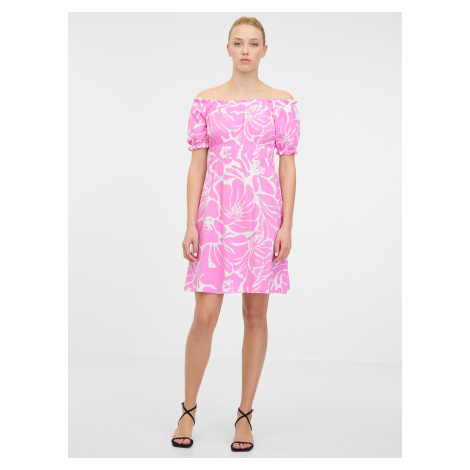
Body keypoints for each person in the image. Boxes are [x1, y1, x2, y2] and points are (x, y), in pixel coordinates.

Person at [171, 16, 300, 452]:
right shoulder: (206, 101)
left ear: (265, 50)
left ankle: (245, 415)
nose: (246, 50)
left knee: (254, 316)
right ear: (227, 48)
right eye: (239, 43)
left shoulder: (281, 103)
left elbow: (287, 166)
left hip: (262, 219)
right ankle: (188, 409)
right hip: (215, 218)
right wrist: (190, 222)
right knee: (203, 317)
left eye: (254, 43)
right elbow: (197, 165)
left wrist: (286, 224)